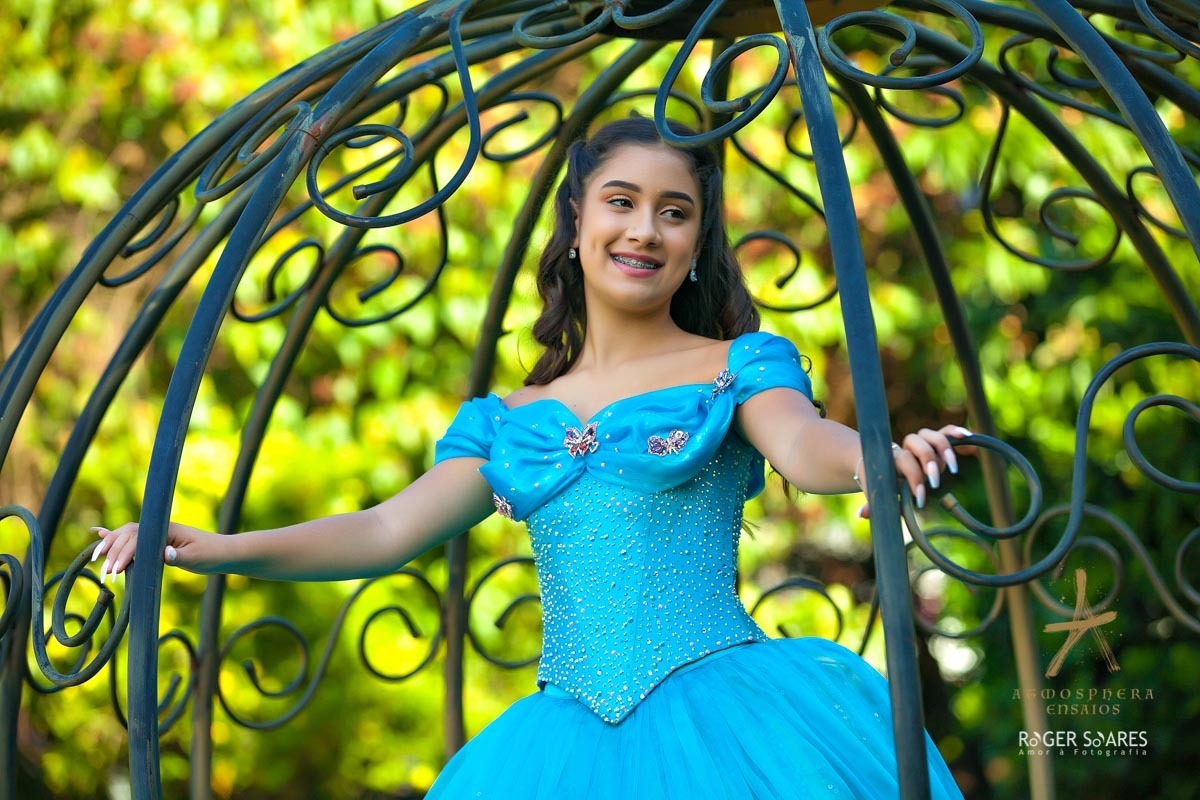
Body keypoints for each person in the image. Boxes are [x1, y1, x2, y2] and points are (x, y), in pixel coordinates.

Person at [94, 117, 968, 798]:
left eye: (675, 212)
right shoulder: (507, 419)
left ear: (697, 244)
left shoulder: (736, 366)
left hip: (729, 722)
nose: (645, 230)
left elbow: (802, 442)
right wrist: (213, 547)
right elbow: (382, 530)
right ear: (579, 222)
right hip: (559, 745)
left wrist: (877, 460)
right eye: (621, 202)